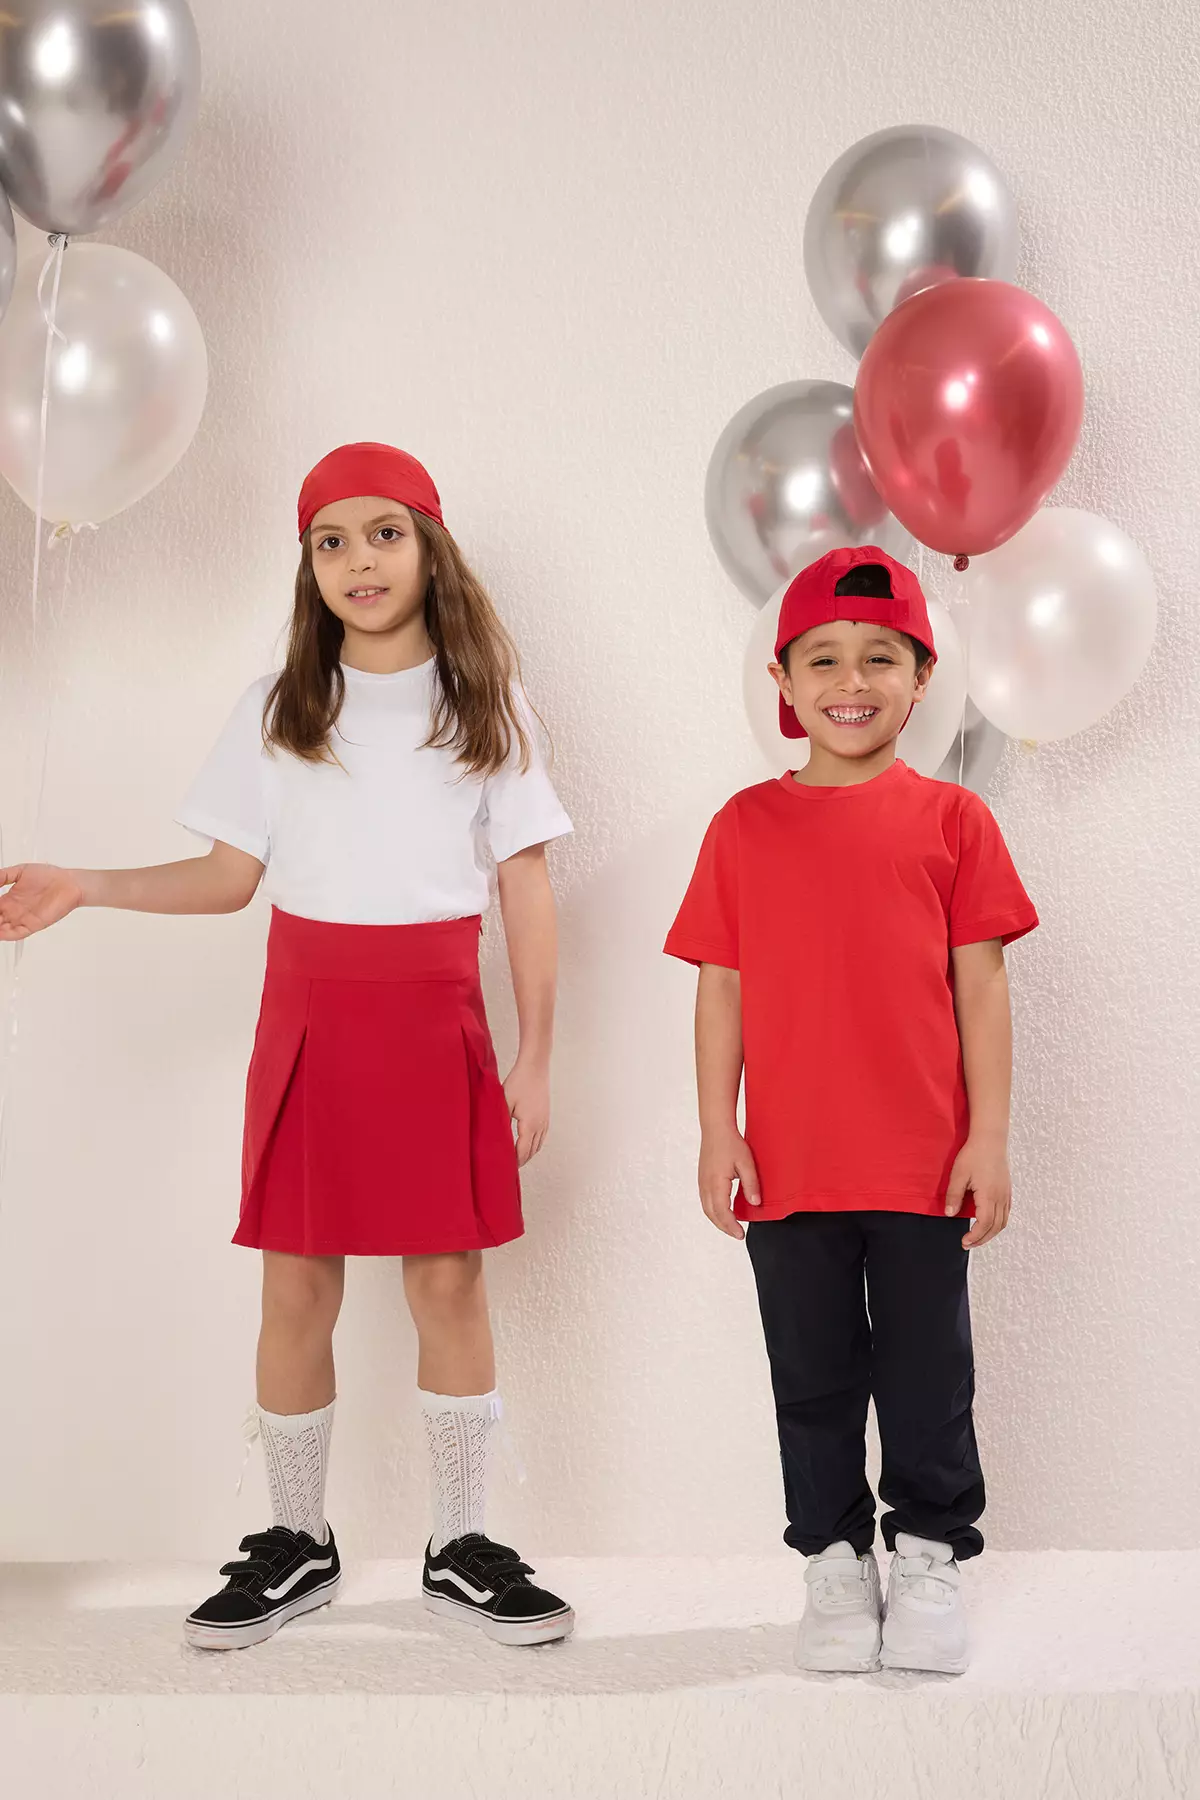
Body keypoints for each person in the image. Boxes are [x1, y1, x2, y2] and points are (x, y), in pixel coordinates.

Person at [0, 442, 575, 1651]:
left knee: (448, 1279)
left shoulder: (487, 703)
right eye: (330, 541)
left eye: (383, 534)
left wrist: (533, 1054)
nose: (358, 561)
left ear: (430, 546)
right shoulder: (283, 706)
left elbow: (525, 881)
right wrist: (86, 883)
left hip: (436, 1021)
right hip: (311, 1014)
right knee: (296, 1282)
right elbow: (227, 878)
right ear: (307, 565)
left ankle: (460, 1542)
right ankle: (296, 1541)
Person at [664, 546, 1038, 1675]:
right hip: (789, 1163)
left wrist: (988, 1137)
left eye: (883, 656)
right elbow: (719, 986)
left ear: (923, 678)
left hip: (923, 1162)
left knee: (929, 1374)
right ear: (782, 681)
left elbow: (982, 984)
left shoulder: (954, 822)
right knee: (812, 1376)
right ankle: (832, 1561)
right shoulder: (741, 829)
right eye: (823, 657)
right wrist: (716, 1125)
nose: (852, 678)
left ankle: (926, 1553)